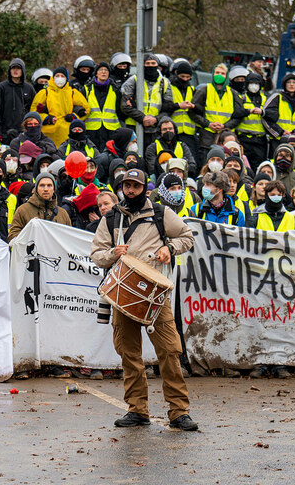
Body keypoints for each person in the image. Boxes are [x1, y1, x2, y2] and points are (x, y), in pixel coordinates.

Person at [90, 168, 198, 431]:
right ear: (122, 187)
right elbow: (96, 253)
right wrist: (113, 254)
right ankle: (137, 410)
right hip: (122, 294)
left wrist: (169, 248)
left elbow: (187, 237)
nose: (130, 190)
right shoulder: (111, 217)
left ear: (144, 188)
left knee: (170, 351)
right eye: (127, 185)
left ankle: (179, 412)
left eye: (135, 186)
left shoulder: (161, 213)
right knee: (129, 353)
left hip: (155, 296)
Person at [119, 53, 174, 149]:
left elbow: (169, 108)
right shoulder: (133, 80)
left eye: (153, 63)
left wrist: (155, 119)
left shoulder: (164, 82)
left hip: (155, 128)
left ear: (158, 65)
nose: (150, 66)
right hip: (134, 125)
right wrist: (142, 118)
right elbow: (124, 105)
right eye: (147, 63)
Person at [190, 62, 242, 160]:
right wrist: (207, 124)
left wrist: (225, 126)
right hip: (207, 137)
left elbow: (238, 116)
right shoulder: (204, 90)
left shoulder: (233, 94)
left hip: (225, 138)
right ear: (212, 74)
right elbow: (193, 111)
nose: (219, 75)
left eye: (222, 73)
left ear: (226, 76)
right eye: (217, 72)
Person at [31, 66, 89, 147]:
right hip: (49, 134)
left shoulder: (73, 93)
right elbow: (34, 113)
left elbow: (86, 110)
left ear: (66, 78)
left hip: (67, 133)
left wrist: (74, 117)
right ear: (53, 78)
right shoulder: (44, 93)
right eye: (57, 76)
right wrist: (47, 119)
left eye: (62, 76)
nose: (60, 78)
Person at [7, 172, 71, 241]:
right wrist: (30, 231)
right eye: (42, 185)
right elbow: (12, 237)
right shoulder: (23, 210)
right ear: (36, 189)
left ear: (53, 189)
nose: (46, 189)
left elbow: (70, 240)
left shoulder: (63, 214)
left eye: (49, 185)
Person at [263, 72, 295, 152]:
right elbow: (265, 116)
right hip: (278, 140)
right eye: (289, 82)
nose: (291, 85)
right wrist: (280, 132)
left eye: (294, 82)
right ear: (284, 85)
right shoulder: (277, 97)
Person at [0, 58, 35, 144]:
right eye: (13, 68)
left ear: (23, 71)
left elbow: (33, 111)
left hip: (24, 133)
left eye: (18, 68)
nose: (15, 70)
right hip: (4, 133)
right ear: (9, 70)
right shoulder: (1, 88)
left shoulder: (29, 89)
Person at [84, 61, 122, 149]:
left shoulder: (115, 89)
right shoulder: (87, 89)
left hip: (111, 130)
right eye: (101, 70)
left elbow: (120, 109)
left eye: (106, 70)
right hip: (91, 130)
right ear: (96, 73)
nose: (104, 72)